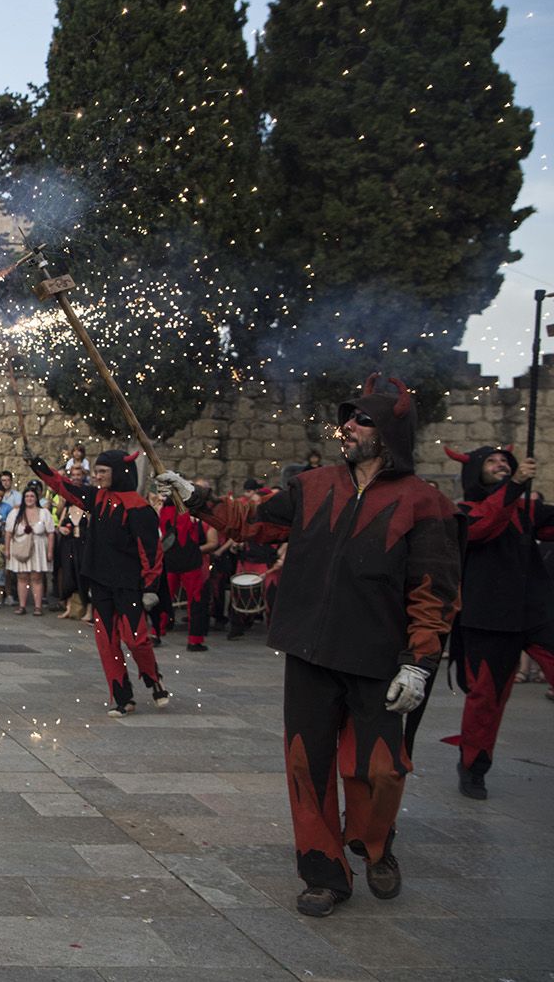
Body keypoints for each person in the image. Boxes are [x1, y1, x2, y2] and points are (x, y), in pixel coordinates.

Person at [158, 375, 460, 918]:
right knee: (306, 764)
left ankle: (373, 843)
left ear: (389, 431)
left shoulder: (426, 502)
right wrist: (195, 497)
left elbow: (432, 592)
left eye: (361, 419)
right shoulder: (314, 484)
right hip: (310, 650)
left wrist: (419, 663)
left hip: (379, 658)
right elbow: (251, 524)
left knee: (382, 769)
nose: (347, 426)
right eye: (346, 418)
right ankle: (324, 873)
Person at [444, 443, 554, 799]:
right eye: (491, 462)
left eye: (505, 461)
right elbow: (486, 525)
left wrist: (520, 492)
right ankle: (473, 767)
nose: (501, 465)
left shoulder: (525, 508)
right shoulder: (463, 511)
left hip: (534, 613)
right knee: (486, 700)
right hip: (489, 619)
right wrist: (516, 484)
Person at [32, 449, 169, 717]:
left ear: (119, 473)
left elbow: (151, 552)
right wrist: (39, 466)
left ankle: (153, 678)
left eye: (103, 471)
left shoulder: (140, 509)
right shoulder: (96, 498)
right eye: (96, 471)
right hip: (100, 582)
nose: (97, 475)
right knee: (106, 641)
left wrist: (150, 587)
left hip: (129, 584)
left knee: (136, 639)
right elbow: (66, 487)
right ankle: (122, 696)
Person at [157, 499, 217, 651]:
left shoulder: (163, 510)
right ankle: (194, 640)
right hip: (190, 561)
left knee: (164, 597)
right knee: (195, 601)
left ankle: (156, 632)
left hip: (170, 560)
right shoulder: (194, 513)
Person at [8, 487, 55, 615]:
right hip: (21, 547)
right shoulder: (16, 513)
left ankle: (38, 607)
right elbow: (8, 532)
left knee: (37, 577)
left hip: (39, 548)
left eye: (32, 496)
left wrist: (50, 551)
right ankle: (22, 606)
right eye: (27, 496)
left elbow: (51, 533)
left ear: (36, 498)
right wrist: (7, 550)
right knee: (22, 577)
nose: (29, 499)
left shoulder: (44, 512)